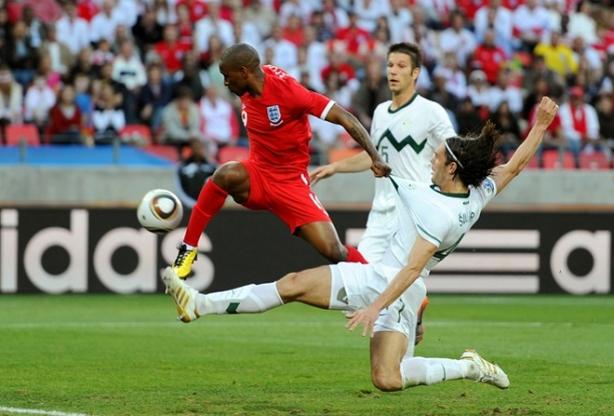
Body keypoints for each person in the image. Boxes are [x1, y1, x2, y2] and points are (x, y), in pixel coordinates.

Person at [161, 96, 559, 392]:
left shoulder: (438, 213)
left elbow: (411, 269)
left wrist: (375, 306)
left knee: (386, 377)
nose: (431, 160)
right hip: (382, 278)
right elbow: (515, 166)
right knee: (298, 288)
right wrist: (540, 126)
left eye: (437, 157)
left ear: (452, 168)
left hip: (393, 287)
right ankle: (199, 304)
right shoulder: (477, 192)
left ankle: (468, 368)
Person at [172, 43, 389, 279]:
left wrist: (375, 157)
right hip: (258, 173)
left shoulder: (289, 93)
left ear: (244, 72)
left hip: (291, 183)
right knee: (224, 175)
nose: (225, 82)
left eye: (227, 76)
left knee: (333, 250)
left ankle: (383, 286)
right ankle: (188, 248)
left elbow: (344, 117)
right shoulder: (251, 84)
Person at [310, 43, 457, 342]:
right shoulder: (380, 112)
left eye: (401, 66)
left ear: (415, 73)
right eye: (390, 65)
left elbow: (455, 152)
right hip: (380, 212)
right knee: (357, 280)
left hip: (412, 213)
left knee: (393, 285)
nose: (393, 71)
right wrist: (336, 167)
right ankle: (415, 304)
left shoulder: (431, 112)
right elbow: (374, 157)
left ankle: (404, 329)